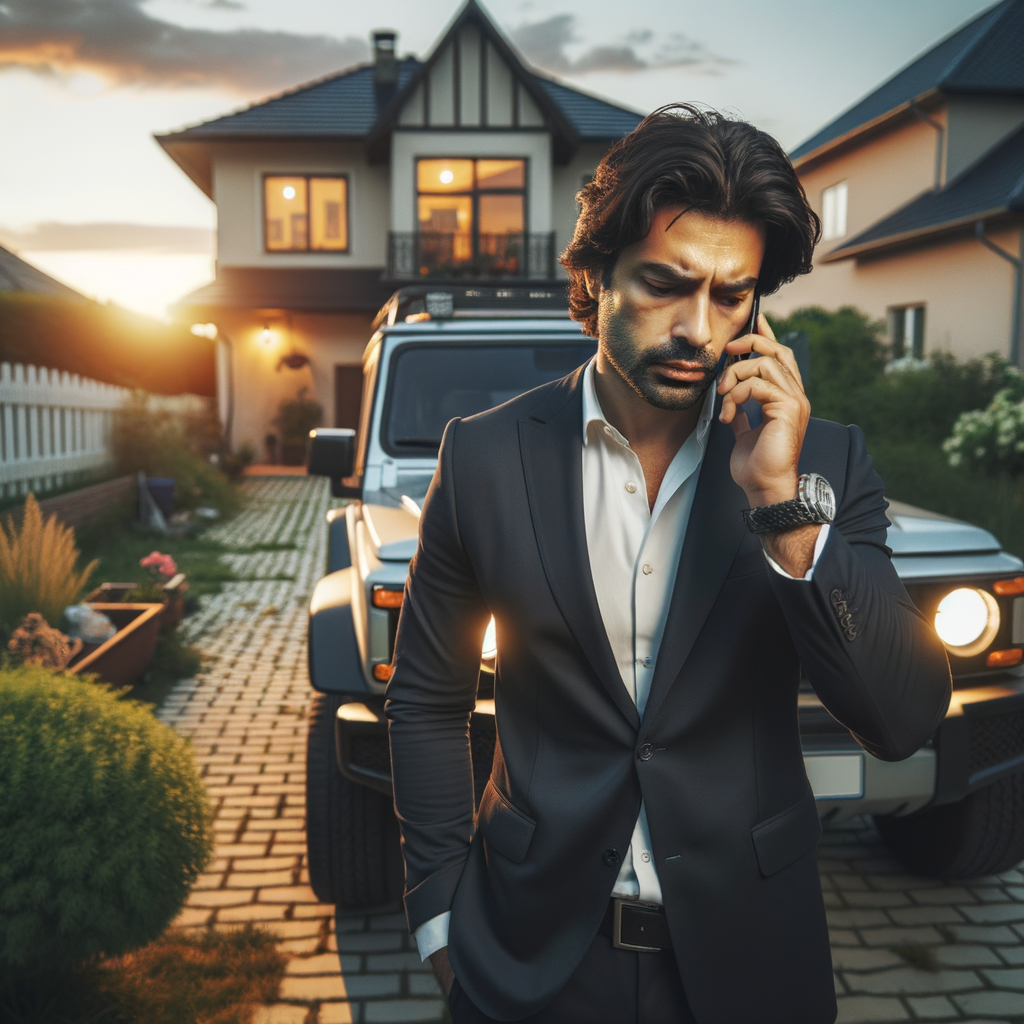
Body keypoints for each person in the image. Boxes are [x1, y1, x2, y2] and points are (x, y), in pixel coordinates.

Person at [385, 104, 951, 1024]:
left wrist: (784, 510)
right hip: (529, 959)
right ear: (595, 274)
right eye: (665, 284)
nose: (700, 327)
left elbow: (903, 719)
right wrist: (441, 918)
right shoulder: (484, 456)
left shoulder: (823, 464)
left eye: (733, 295)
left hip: (752, 963)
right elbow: (426, 697)